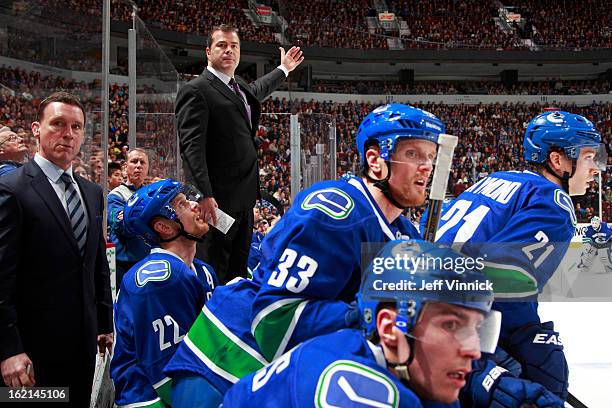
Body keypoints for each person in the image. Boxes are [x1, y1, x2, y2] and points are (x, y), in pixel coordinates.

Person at [163, 104, 438, 407]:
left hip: (285, 374)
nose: (427, 166)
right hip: (228, 362)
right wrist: (376, 313)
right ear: (375, 160)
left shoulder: (404, 234)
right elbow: (275, 319)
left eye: (431, 157)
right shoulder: (336, 210)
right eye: (413, 154)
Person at [223, 240, 563, 407]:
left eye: (477, 329)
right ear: (390, 327)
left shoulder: (371, 354)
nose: (474, 351)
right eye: (452, 325)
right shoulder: (358, 390)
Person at [435, 110, 606, 402]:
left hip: (426, 315)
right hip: (462, 325)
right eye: (590, 157)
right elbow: (501, 277)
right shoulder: (552, 202)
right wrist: (502, 350)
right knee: (545, 364)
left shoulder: (491, 181)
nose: (597, 169)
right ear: (557, 160)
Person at [0, 92, 113, 406]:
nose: (69, 134)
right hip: (31, 354)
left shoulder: (92, 194)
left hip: (82, 344)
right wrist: (8, 349)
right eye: (58, 124)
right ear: (37, 129)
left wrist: (104, 322)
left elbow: (97, 262)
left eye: (76, 127)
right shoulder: (12, 189)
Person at [176, 23, 304, 283]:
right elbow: (192, 147)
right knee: (214, 267)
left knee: (236, 269)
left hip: (244, 201)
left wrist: (284, 70)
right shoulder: (197, 90)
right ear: (208, 52)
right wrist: (203, 194)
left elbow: (256, 92)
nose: (229, 51)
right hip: (217, 202)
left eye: (234, 46)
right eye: (222, 45)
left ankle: (231, 321)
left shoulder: (237, 86)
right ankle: (209, 320)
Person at [111, 179, 218, 407]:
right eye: (181, 204)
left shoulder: (203, 271)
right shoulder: (158, 279)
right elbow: (166, 374)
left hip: (191, 388)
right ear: (164, 227)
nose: (195, 205)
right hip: (148, 399)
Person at [108, 148, 151, 284]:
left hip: (147, 259)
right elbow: (121, 226)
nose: (138, 165)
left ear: (147, 169)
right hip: (124, 262)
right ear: (125, 167)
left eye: (142, 163)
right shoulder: (116, 195)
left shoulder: (150, 194)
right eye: (134, 161)